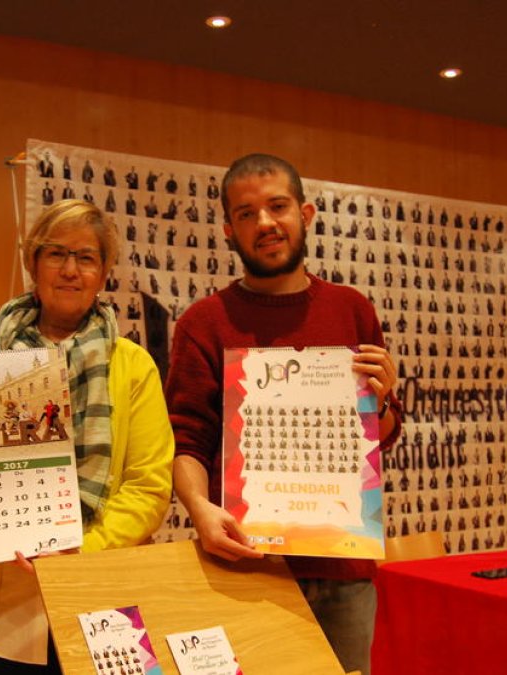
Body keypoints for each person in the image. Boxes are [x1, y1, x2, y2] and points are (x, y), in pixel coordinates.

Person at [164, 153, 403, 675]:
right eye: (246, 213)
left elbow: (378, 438)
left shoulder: (352, 309)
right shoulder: (204, 323)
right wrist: (200, 512)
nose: (265, 224)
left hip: (344, 574)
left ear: (307, 213)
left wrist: (381, 401)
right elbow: (185, 441)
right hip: (247, 567)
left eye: (277, 206)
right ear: (229, 229)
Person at [0, 199, 173, 675]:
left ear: (104, 271)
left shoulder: (132, 366)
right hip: (3, 597)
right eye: (55, 254)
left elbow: (149, 487)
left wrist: (79, 552)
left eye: (86, 257)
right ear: (33, 263)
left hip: (100, 589)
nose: (70, 270)